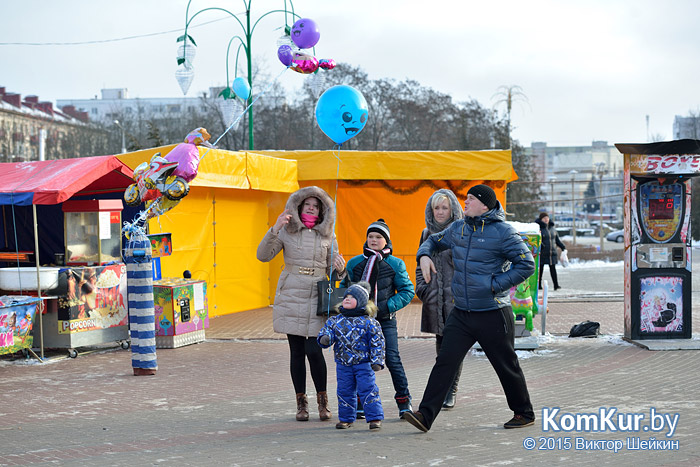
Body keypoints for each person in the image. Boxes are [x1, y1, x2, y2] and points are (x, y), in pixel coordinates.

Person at [404, 184, 536, 433]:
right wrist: (424, 256)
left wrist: (495, 284)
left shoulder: (504, 232)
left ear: (485, 205)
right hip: (462, 313)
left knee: (506, 365)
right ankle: (425, 415)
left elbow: (526, 263)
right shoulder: (459, 228)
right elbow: (432, 241)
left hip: (493, 313)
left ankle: (524, 413)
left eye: (471, 199)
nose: (465, 203)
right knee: (445, 362)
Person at [256, 186, 346, 422]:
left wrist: (340, 268)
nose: (311, 208)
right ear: (298, 206)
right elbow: (263, 255)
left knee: (314, 351)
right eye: (307, 204)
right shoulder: (286, 230)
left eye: (316, 206)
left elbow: (333, 272)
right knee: (296, 352)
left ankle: (323, 402)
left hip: (317, 294)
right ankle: (301, 404)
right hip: (291, 293)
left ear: (322, 210)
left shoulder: (328, 234)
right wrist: (275, 228)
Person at [343, 219, 415, 419]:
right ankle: (360, 402)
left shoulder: (395, 264)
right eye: (370, 237)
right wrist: (340, 273)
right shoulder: (355, 263)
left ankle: (404, 401)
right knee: (360, 362)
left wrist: (384, 307)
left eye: (379, 237)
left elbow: (407, 291)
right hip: (358, 322)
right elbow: (345, 290)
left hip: (385, 320)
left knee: (392, 359)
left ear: (387, 241)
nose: (374, 240)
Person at [415, 189, 464, 410]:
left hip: (457, 301)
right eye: (437, 207)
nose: (440, 212)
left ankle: (451, 390)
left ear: (453, 209)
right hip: (435, 301)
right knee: (440, 348)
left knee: (454, 349)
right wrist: (424, 291)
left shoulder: (462, 232)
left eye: (445, 207)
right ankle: (443, 389)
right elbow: (419, 267)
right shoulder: (426, 234)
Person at [318, 281, 385, 430]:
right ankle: (346, 418)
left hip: (364, 363)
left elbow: (377, 342)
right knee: (344, 390)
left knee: (368, 389)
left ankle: (374, 418)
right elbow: (326, 332)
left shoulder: (369, 323)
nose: (347, 298)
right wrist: (325, 338)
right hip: (343, 364)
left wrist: (377, 360)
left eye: (352, 297)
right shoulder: (336, 321)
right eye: (346, 296)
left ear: (361, 301)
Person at [535, 212, 566, 291]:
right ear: (541, 219)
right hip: (542, 253)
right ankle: (538, 285)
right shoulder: (538, 229)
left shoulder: (552, 229)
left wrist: (563, 247)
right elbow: (536, 240)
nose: (546, 219)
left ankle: (556, 285)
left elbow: (557, 240)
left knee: (553, 269)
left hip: (552, 253)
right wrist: (541, 246)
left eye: (547, 218)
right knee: (540, 270)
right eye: (544, 218)